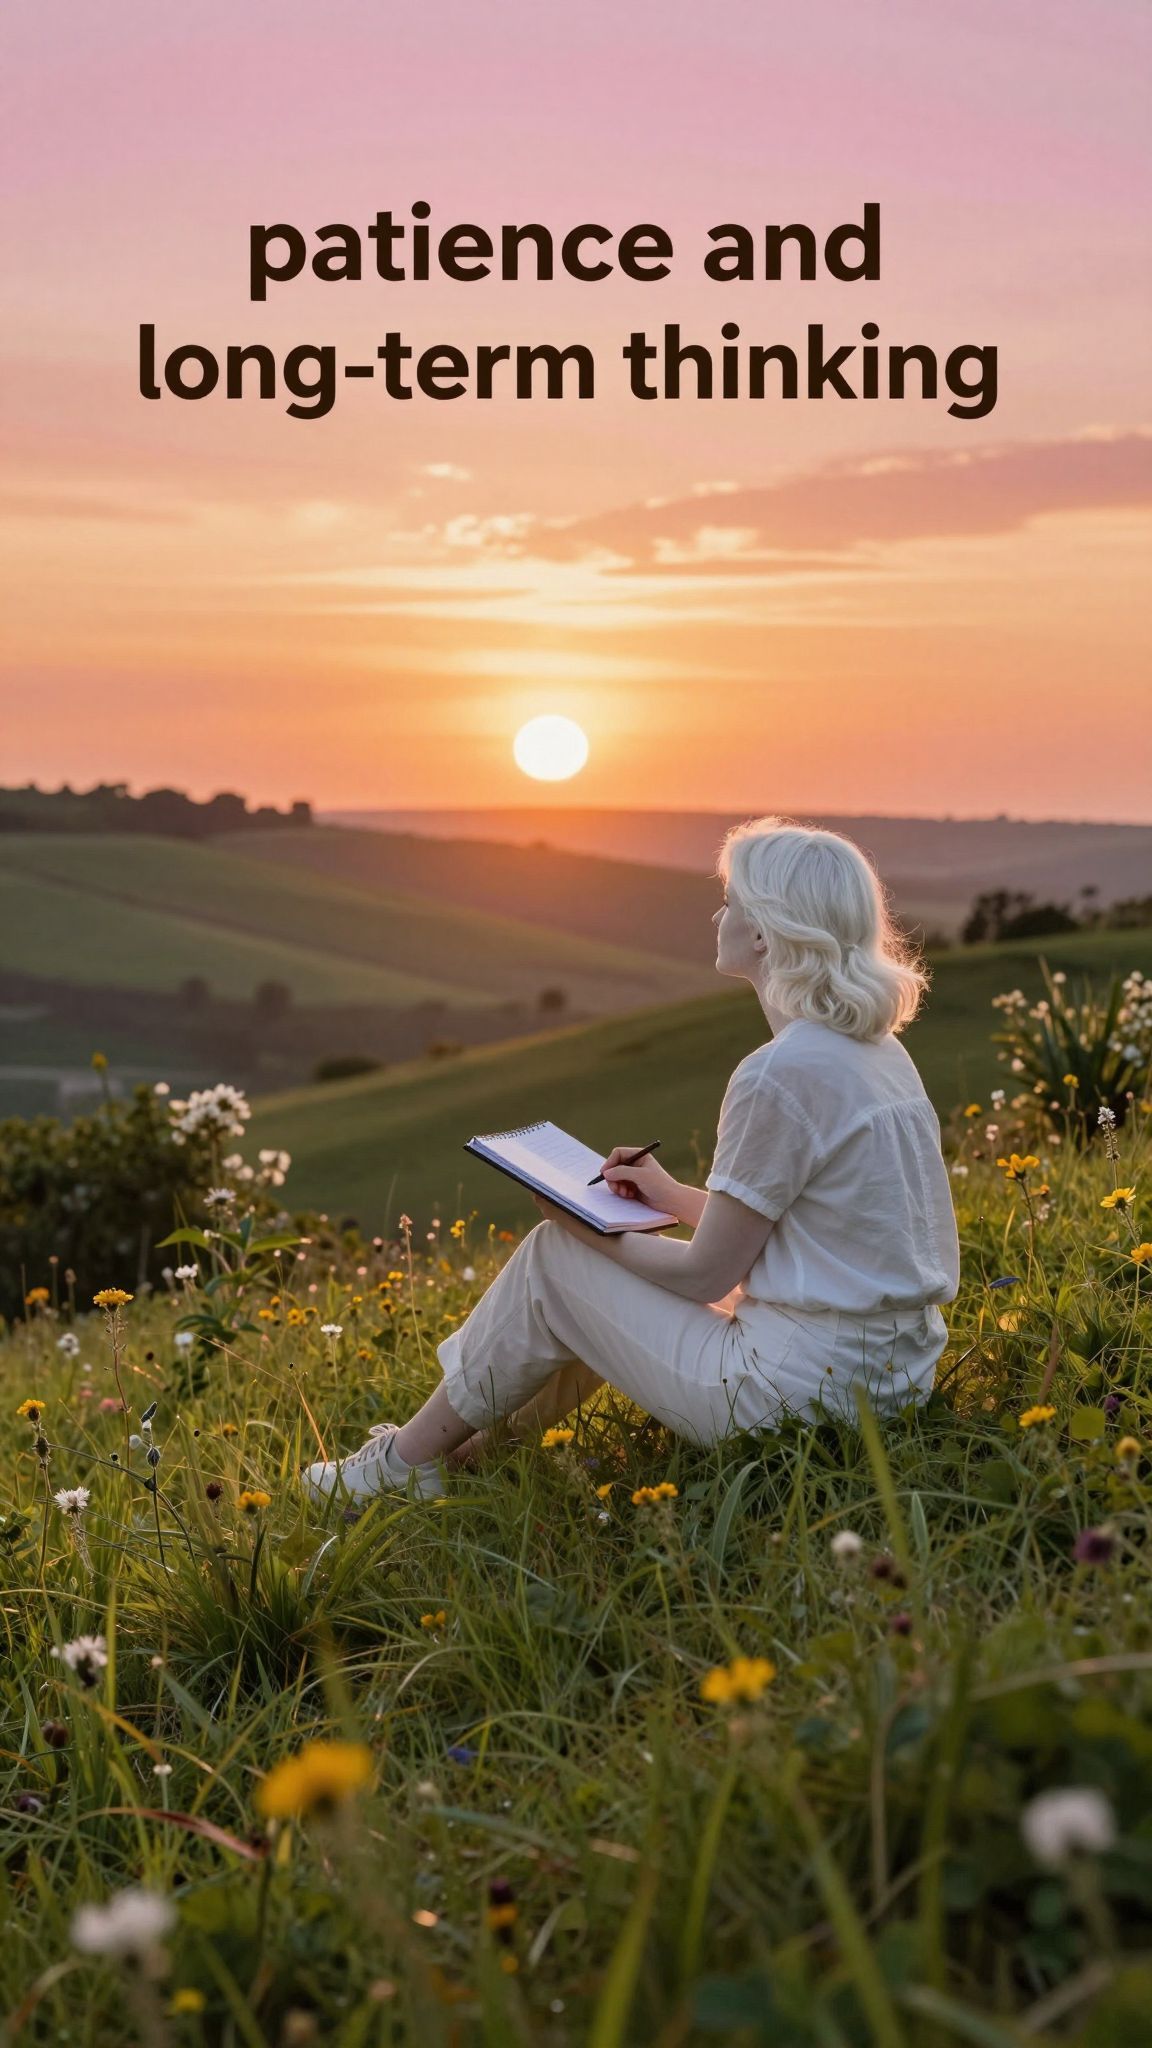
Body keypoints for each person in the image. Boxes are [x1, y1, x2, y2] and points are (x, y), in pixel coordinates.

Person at [301, 816, 960, 1504]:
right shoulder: (878, 1055)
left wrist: (584, 1228)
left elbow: (708, 1272)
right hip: (891, 1384)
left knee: (557, 1258)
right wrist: (669, 1196)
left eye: (731, 901)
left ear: (764, 933)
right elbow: (804, 1228)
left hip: (791, 1398)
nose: (718, 914)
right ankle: (469, 1454)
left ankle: (399, 1466)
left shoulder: (780, 1073)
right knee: (583, 1274)